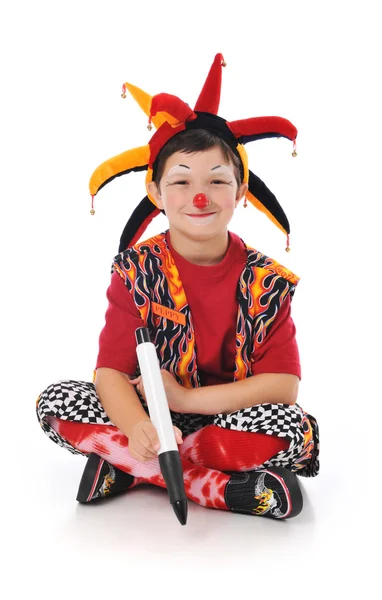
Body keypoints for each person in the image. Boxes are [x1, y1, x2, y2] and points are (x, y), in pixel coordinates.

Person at [36, 53, 320, 520]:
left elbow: (284, 386)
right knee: (57, 401)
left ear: (241, 191)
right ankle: (221, 487)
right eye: (181, 182)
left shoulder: (267, 282)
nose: (199, 196)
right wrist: (136, 424)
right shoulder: (136, 271)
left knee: (291, 428)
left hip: (227, 418)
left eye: (217, 180)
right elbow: (109, 373)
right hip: (149, 417)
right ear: (156, 194)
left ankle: (130, 469)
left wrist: (187, 401)